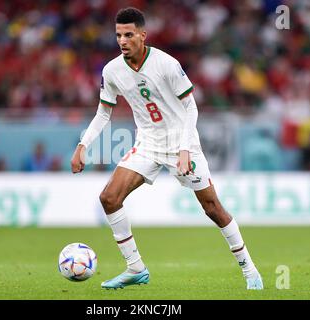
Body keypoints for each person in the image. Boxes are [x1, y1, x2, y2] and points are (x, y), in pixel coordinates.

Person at [70, 7, 263, 290]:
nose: (122, 41)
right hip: (147, 143)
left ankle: (249, 269)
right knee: (109, 198)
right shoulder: (112, 71)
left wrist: (185, 149)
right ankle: (135, 268)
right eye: (118, 35)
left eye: (128, 35)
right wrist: (83, 145)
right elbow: (103, 113)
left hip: (182, 143)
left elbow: (191, 108)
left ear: (142, 35)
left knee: (212, 208)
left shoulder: (166, 64)